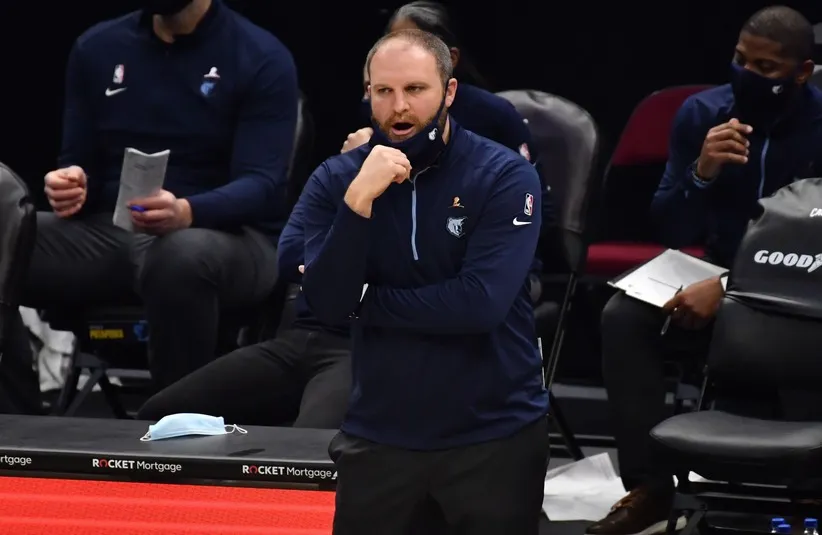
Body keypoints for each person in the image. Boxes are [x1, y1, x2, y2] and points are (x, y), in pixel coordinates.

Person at [300, 29, 550, 534]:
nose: (398, 108)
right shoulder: (337, 179)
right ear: (367, 93)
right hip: (380, 430)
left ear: (449, 92)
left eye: (415, 90)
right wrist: (357, 203)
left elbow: (479, 305)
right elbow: (326, 304)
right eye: (383, 91)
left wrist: (366, 302)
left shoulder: (504, 176)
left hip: (494, 429)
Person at [590, 7, 822, 535]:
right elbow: (670, 225)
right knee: (623, 316)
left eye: (765, 68)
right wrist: (702, 172)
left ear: (801, 73)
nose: (747, 75)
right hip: (715, 268)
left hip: (805, 283)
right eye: (740, 60)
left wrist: (729, 290)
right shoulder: (703, 113)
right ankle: (650, 487)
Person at [15, 0, 298, 395]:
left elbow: (262, 186)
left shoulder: (260, 56)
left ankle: (179, 427)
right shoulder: (97, 47)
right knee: (7, 232)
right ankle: (16, 414)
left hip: (230, 237)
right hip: (111, 234)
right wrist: (73, 183)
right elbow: (80, 162)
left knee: (180, 256)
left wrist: (188, 211)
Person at [137, 191, 352, 429]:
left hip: (365, 345)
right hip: (299, 337)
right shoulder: (331, 178)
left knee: (309, 448)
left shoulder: (397, 192)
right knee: (159, 417)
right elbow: (291, 257)